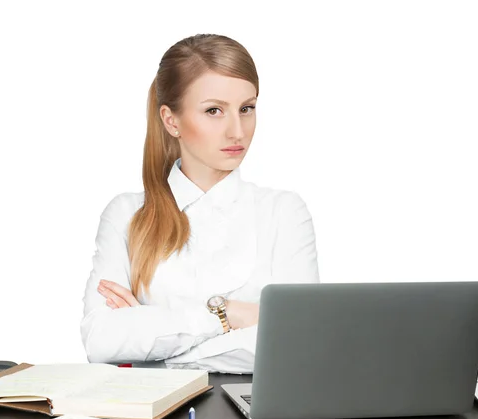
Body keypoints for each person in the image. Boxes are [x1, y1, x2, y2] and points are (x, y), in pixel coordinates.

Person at [80, 34, 320, 374]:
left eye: (246, 109)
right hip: (152, 412)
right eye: (214, 111)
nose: (238, 131)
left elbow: (301, 339)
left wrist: (155, 350)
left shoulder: (283, 212)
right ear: (171, 120)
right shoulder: (126, 214)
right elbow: (102, 341)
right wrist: (228, 315)